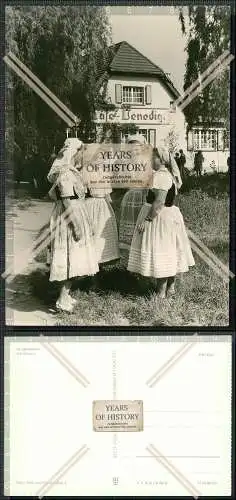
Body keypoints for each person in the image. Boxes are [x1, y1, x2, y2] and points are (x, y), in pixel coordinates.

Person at [127, 146, 195, 298]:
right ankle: (170, 288)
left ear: (161, 160)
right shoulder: (166, 174)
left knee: (160, 251)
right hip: (168, 216)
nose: (150, 160)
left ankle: (161, 293)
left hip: (159, 217)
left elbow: (159, 202)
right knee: (169, 251)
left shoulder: (161, 176)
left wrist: (147, 219)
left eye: (152, 158)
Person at [47, 137, 99, 312]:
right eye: (80, 153)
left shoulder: (71, 171)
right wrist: (76, 225)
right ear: (73, 153)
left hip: (76, 213)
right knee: (69, 256)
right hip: (68, 218)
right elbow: (67, 202)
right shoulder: (66, 174)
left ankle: (66, 294)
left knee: (75, 257)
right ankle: (61, 299)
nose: (81, 157)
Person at [118, 134, 149, 266]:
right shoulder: (126, 162)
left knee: (141, 227)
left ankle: (142, 260)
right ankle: (131, 262)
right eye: (132, 147)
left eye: (137, 147)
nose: (134, 150)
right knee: (131, 229)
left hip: (142, 196)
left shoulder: (146, 161)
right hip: (130, 196)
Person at [85, 185, 120, 266]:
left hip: (101, 205)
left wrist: (112, 208)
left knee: (101, 231)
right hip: (92, 204)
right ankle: (92, 259)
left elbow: (108, 195)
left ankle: (100, 258)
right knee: (95, 231)